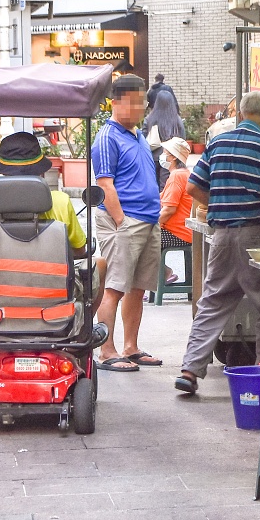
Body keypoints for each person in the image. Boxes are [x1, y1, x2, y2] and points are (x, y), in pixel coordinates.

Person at [175, 91, 260, 394]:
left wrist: (217, 206)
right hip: (256, 237)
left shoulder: (217, 144)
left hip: (221, 235)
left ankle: (189, 370)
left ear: (240, 115)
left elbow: (194, 186)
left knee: (212, 302)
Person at [0, 132, 106, 309]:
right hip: (54, 295)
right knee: (99, 263)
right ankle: (84, 330)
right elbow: (79, 250)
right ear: (41, 170)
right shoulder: (60, 202)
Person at [92, 74, 164, 372]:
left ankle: (130, 347)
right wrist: (121, 222)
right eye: (134, 103)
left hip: (147, 221)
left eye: (143, 104)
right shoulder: (108, 136)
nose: (140, 110)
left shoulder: (138, 135)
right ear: (116, 102)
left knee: (137, 289)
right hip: (124, 222)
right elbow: (105, 185)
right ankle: (106, 351)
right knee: (115, 287)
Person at [157, 136, 193, 286]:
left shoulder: (177, 176)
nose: (162, 155)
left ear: (172, 157)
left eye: (165, 152)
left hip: (177, 233)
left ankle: (161, 275)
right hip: (183, 232)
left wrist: (153, 224)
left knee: (139, 240)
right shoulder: (184, 174)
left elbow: (169, 209)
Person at [143, 90, 186, 190]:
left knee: (152, 186)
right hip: (170, 158)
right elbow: (182, 139)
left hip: (152, 158)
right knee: (166, 187)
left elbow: (142, 138)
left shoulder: (149, 119)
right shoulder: (176, 120)